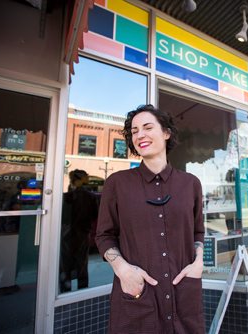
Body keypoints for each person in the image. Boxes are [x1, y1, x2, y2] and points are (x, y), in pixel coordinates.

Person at [95, 105, 205, 334]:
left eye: (147, 127)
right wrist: (123, 270)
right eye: (134, 131)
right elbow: (104, 235)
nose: (140, 135)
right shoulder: (117, 183)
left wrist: (199, 263)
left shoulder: (191, 183)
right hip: (137, 294)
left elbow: (198, 231)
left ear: (166, 133)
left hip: (184, 294)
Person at [60, 169, 98, 292]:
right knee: (82, 262)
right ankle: (82, 289)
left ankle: (65, 289)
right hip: (82, 231)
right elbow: (95, 214)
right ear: (81, 178)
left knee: (65, 262)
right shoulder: (89, 196)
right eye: (86, 176)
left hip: (66, 232)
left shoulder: (66, 194)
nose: (88, 178)